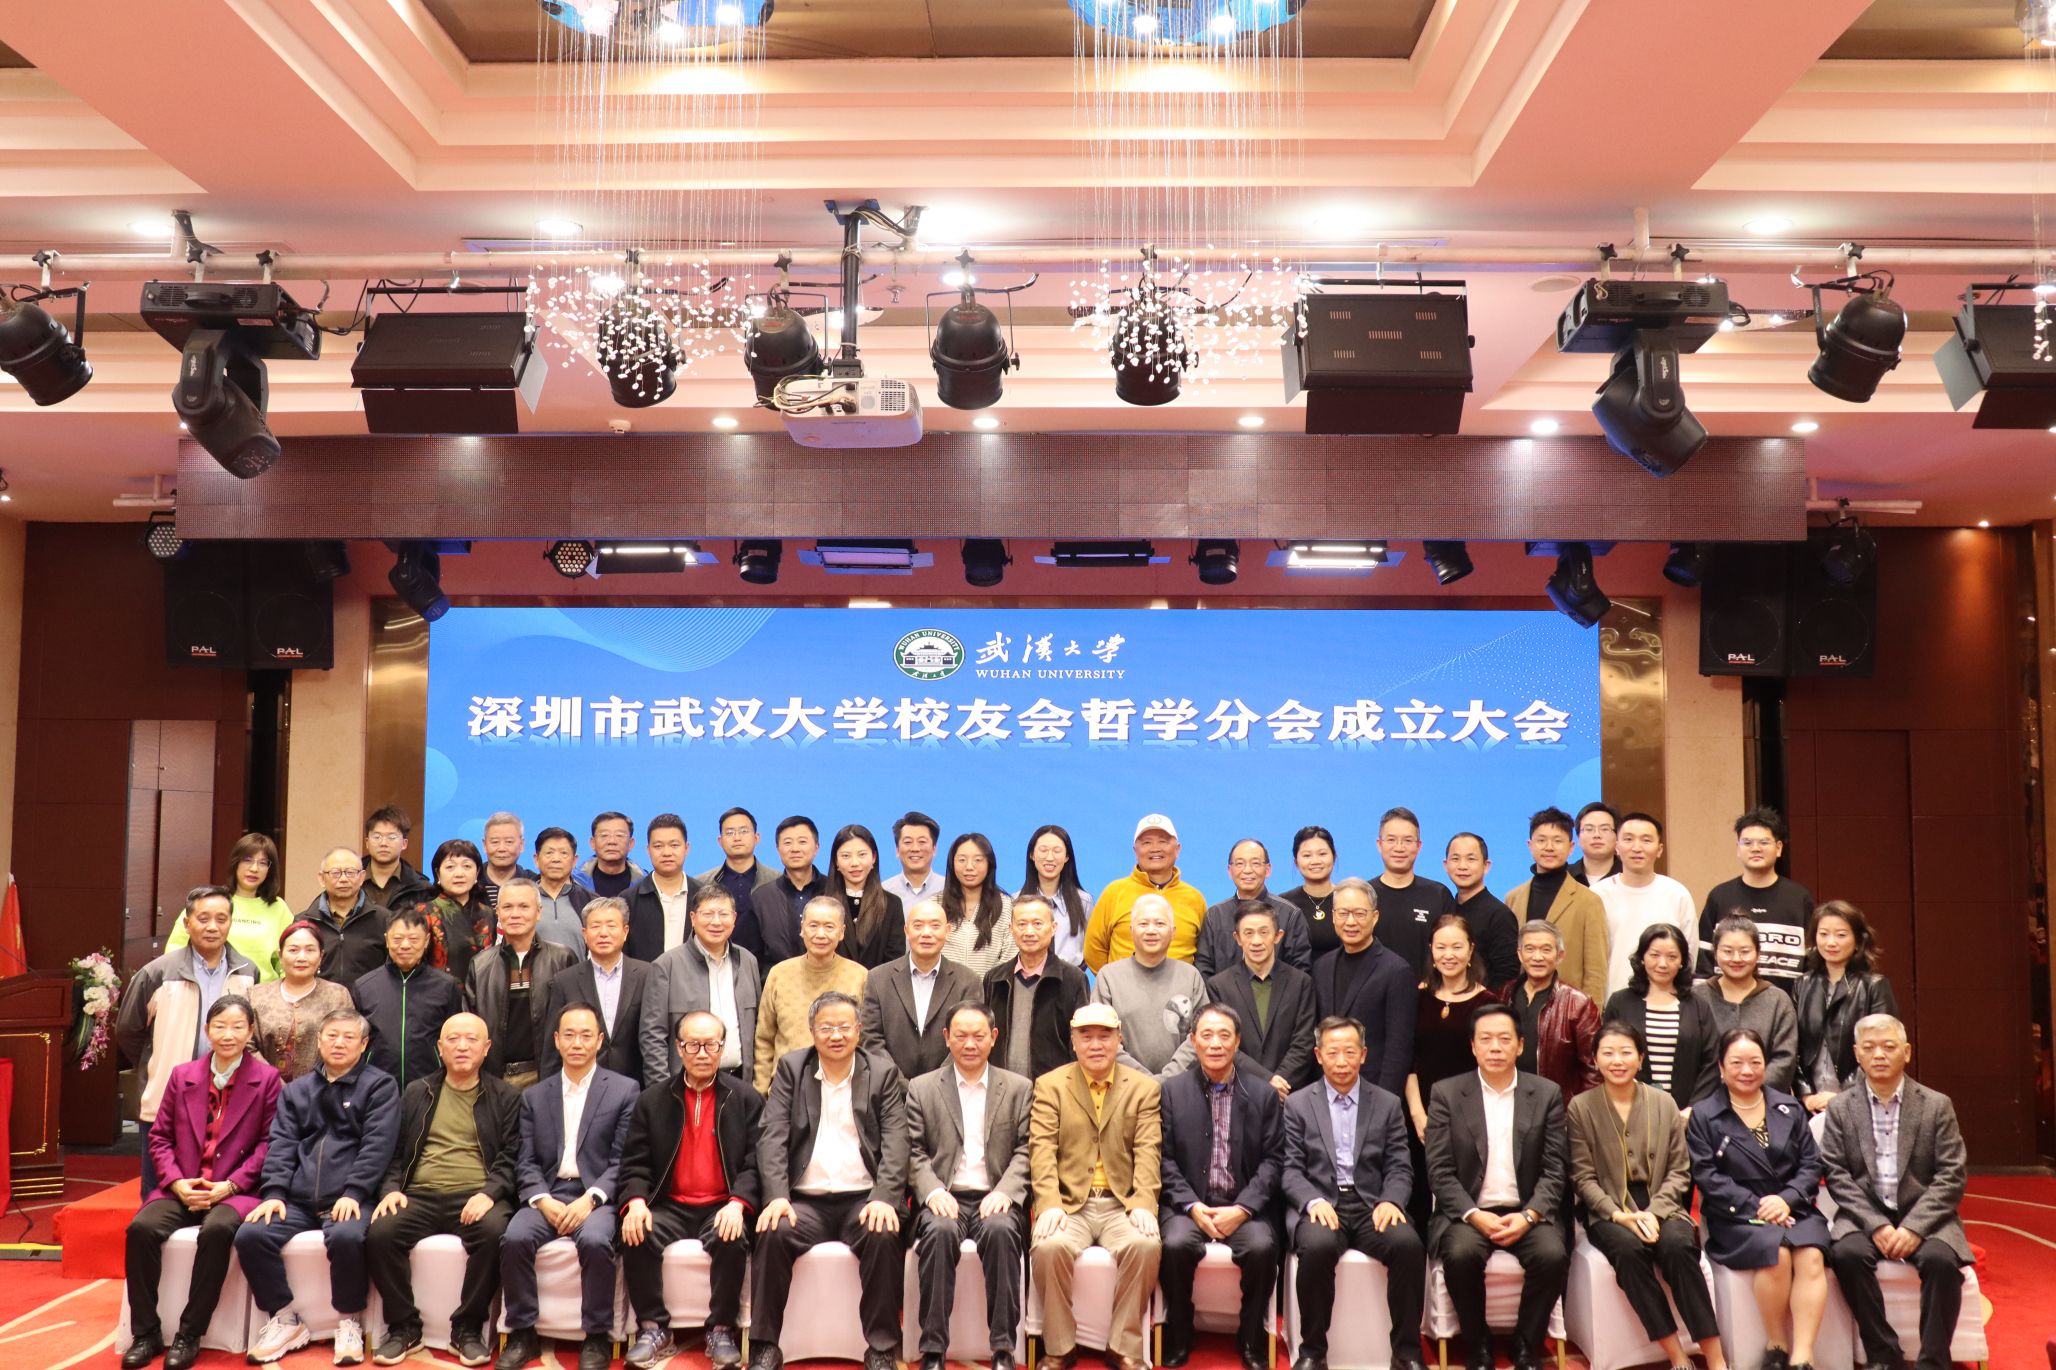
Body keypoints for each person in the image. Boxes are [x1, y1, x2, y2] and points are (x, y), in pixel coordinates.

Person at [121, 995, 282, 1370]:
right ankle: (145, 1333)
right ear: (207, 1031)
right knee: (141, 1229)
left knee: (218, 1230)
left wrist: (232, 1186)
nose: (228, 1035)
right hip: (183, 1185)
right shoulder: (183, 1075)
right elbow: (159, 1138)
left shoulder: (267, 1079)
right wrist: (177, 1183)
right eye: (220, 1026)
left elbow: (270, 1143)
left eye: (238, 1027)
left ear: (250, 1032)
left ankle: (190, 1333)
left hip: (235, 1191)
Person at [751, 990, 909, 1370]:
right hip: (806, 1202)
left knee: (884, 1232)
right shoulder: (792, 1068)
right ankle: (764, 1348)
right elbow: (772, 1136)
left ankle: (881, 1349)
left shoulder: (881, 1072)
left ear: (859, 1030)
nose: (835, 1035)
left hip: (863, 1199)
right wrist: (777, 1196)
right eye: (826, 1027)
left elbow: (897, 1140)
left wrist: (884, 1196)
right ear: (812, 1031)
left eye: (843, 1027)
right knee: (772, 1231)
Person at [235, 1007, 400, 1366]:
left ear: (363, 1044)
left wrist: (354, 1191)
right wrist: (274, 1193)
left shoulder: (380, 1086)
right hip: (296, 1199)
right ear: (320, 1041)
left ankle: (349, 1322)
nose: (339, 1043)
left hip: (351, 1197)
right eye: (332, 1036)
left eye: (348, 1037)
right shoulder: (297, 1090)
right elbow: (281, 1143)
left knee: (347, 1237)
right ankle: (284, 1318)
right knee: (250, 1235)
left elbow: (378, 1145)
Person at [1567, 1022, 1727, 1370]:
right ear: (1595, 1059)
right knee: (1628, 1251)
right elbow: (1582, 1177)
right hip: (1609, 1207)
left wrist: (1654, 1213)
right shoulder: (1580, 1107)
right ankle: (1676, 1355)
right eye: (1608, 1053)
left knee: (1678, 1247)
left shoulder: (1663, 1102)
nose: (1617, 1060)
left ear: (1641, 1058)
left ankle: (1715, 1359)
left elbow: (1679, 1170)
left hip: (1662, 1202)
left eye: (1626, 1052)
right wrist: (1620, 1215)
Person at [364, 1012, 521, 1367]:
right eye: (453, 1039)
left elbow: (511, 1156)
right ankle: (404, 1327)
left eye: (471, 1039)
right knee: (380, 1233)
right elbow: (394, 1151)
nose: (462, 1046)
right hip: (418, 1194)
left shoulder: (506, 1096)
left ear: (486, 1048)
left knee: (495, 1232)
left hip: (476, 1194)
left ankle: (467, 1329)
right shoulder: (417, 1092)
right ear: (439, 1047)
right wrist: (391, 1189)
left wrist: (489, 1193)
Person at [1820, 1013, 1973, 1370]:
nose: (1879, 1055)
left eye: (1889, 1047)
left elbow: (1951, 1175)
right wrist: (1876, 1225)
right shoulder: (1841, 1107)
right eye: (1870, 1047)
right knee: (1846, 1255)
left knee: (1941, 1262)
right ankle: (1883, 1355)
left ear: (1906, 1052)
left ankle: (1933, 1361)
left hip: (1926, 1214)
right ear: (1857, 1054)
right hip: (1864, 1214)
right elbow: (1836, 1174)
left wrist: (1914, 1227)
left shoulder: (1936, 1105)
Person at [1424, 1003, 1570, 1370]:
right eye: (1485, 1039)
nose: (1495, 1048)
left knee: (1552, 1255)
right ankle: (1478, 1344)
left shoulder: (1546, 1093)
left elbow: (1555, 1169)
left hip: (1527, 1210)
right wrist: (1474, 1215)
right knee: (1460, 1254)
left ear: (1520, 1045)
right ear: (1472, 1046)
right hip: (1469, 1212)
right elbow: (1439, 1171)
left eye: (1504, 1039)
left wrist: (1530, 1215)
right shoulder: (1447, 1093)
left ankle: (1526, 1344)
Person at [497, 1004, 640, 1370]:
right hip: (549, 1193)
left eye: (586, 1035)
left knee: (595, 1240)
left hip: (597, 1197)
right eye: (570, 1035)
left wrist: (590, 1200)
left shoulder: (624, 1090)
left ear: (600, 1041)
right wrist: (542, 1200)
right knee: (514, 1238)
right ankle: (522, 1332)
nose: (578, 1043)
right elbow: (525, 1160)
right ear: (557, 1040)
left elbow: (623, 1160)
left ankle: (596, 1335)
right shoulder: (534, 1095)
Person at [618, 1010, 763, 1370]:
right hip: (669, 1204)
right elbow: (635, 1162)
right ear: (679, 1048)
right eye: (693, 1045)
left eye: (710, 1045)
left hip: (721, 1204)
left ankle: (721, 1330)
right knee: (635, 1231)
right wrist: (636, 1201)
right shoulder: (653, 1100)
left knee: (731, 1236)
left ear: (722, 1048)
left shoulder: (745, 1098)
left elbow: (755, 1162)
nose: (702, 1053)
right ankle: (653, 1328)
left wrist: (738, 1203)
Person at [1283, 1015, 1428, 1370]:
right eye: (1333, 1052)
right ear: (1318, 1055)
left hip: (1371, 1204)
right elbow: (1289, 1169)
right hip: (1322, 1203)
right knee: (1316, 1247)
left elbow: (1400, 1165)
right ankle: (1312, 1352)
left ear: (1363, 1054)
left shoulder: (1387, 1103)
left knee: (1408, 1246)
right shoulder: (1298, 1104)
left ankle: (1406, 1353)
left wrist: (1391, 1200)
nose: (1341, 1061)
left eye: (1350, 1052)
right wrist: (1312, 1200)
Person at [1028, 1004, 1162, 1370]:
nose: (1096, 1044)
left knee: (1146, 1245)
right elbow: (1042, 1150)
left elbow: (1148, 1151)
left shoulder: (1144, 1089)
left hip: (1121, 1204)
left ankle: (1123, 1345)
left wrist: (1143, 1202)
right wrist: (1049, 1203)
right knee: (1048, 1247)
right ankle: (1060, 1346)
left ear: (1120, 1039)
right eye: (1086, 1036)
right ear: (1073, 1042)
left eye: (1105, 1036)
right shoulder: (1051, 1085)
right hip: (1071, 1204)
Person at [1689, 1028, 1831, 1370]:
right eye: (1736, 1063)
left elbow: (1811, 1164)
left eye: (1755, 1062)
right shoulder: (1705, 1115)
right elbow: (1707, 1175)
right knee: (1776, 1253)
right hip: (1736, 1215)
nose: (1747, 1070)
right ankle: (1776, 1344)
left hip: (1793, 1208)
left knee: (1812, 1255)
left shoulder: (1789, 1107)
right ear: (1721, 1067)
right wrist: (1759, 1206)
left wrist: (1787, 1199)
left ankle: (1803, 1356)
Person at [1156, 1004, 1283, 1370]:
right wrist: (1192, 1206)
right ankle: (1180, 1331)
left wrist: (1242, 1209)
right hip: (1189, 1206)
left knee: (1261, 1247)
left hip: (1243, 1205)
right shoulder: (1172, 1092)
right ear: (1193, 1041)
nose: (1215, 1044)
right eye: (1207, 1035)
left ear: (1237, 1042)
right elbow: (1163, 1159)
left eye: (1224, 1035)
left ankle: (1251, 1336)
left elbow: (1274, 1160)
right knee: (1174, 1245)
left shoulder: (1262, 1095)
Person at [907, 1002, 1033, 1370]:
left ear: (994, 1037)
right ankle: (933, 1350)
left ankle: (1003, 1349)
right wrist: (933, 1191)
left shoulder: (1018, 1088)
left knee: (1001, 1231)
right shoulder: (922, 1088)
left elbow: (1027, 1149)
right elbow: (913, 1151)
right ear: (947, 1037)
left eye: (978, 1036)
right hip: (945, 1195)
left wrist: (1005, 1191)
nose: (970, 1044)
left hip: (996, 1196)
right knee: (939, 1232)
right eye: (961, 1035)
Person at [116, 886, 261, 1196]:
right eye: (203, 918)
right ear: (186, 922)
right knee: (160, 1198)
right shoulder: (157, 973)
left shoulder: (248, 972)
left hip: (229, 1102)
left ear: (230, 922)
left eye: (221, 919)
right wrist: (157, 1062)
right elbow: (128, 1031)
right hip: (168, 1099)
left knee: (220, 1196)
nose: (213, 927)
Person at [1404, 914, 1497, 1224]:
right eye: (1441, 947)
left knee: (1460, 1204)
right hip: (1418, 1112)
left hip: (1469, 1116)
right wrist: (1418, 1114)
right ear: (1431, 950)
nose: (1449, 955)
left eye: (1457, 947)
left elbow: (1490, 1064)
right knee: (1417, 1201)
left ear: (1471, 950)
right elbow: (1409, 1058)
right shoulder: (1417, 997)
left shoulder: (1488, 1003)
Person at [641, 884, 761, 1087]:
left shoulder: (748, 961)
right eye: (708, 914)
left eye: (723, 914)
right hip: (685, 1085)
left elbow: (757, 1027)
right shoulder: (666, 966)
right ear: (693, 918)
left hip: (740, 1083)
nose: (716, 922)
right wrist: (663, 1092)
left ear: (734, 918)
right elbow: (652, 1036)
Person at [469, 878, 580, 1089]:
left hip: (547, 1077)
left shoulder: (563, 958)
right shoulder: (480, 965)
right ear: (497, 912)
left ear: (538, 912)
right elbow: (471, 1025)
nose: (515, 914)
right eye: (507, 907)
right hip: (494, 1079)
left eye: (524, 907)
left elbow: (575, 1020)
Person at [1310, 877, 1415, 1097]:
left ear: (1375, 917)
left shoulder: (1396, 970)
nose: (1350, 922)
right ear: (1333, 916)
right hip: (1326, 1092)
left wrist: (1384, 1102)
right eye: (1343, 913)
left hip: (1373, 1091)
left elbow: (1398, 1048)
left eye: (1359, 913)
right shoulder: (1321, 967)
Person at [753, 895, 870, 1093]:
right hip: (787, 1090)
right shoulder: (779, 974)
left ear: (842, 932)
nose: (820, 934)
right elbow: (764, 1039)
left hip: (843, 1090)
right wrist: (761, 1094)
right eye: (813, 926)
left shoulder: (859, 976)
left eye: (829, 927)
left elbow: (866, 1040)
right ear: (802, 929)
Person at [1794, 901, 1899, 1114]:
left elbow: (1882, 1048)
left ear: (1858, 941)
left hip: (1860, 1101)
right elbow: (1792, 1045)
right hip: (1810, 1104)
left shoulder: (1874, 986)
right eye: (1823, 934)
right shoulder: (1802, 984)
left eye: (1841, 935)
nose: (1831, 942)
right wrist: (1805, 1094)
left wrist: (1843, 1095)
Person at [861, 896, 983, 1080]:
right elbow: (871, 1039)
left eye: (935, 926)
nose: (926, 933)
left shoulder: (968, 981)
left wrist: (932, 1088)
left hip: (947, 1089)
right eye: (918, 926)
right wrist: (899, 1084)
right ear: (906, 931)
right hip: (890, 1090)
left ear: (947, 931)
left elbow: (968, 1040)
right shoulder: (878, 978)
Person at [1206, 899, 1317, 1098]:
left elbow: (1304, 1041)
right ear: (1237, 938)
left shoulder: (1301, 983)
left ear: (1278, 936)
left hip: (1290, 1094)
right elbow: (1225, 1043)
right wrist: (1267, 1082)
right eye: (1248, 933)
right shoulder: (1219, 986)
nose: (1256, 941)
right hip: (1238, 1093)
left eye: (1264, 932)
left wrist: (1280, 1083)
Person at [1698, 808, 1813, 994]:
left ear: (1779, 848)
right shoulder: (1719, 896)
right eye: (1747, 842)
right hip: (1724, 1006)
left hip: (1788, 1006)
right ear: (1738, 848)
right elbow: (1703, 963)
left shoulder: (1799, 898)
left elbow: (1813, 964)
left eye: (1764, 842)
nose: (1755, 848)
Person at [1603, 924, 1720, 1108]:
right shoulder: (1620, 1003)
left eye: (1672, 957)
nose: (1663, 964)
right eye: (1654, 955)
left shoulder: (1698, 1006)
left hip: (1686, 1113)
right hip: (1631, 1109)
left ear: (1682, 961)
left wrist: (1693, 1109)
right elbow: (1607, 1054)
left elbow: (1711, 1062)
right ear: (1642, 957)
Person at [1091, 893, 1206, 1079]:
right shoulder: (1109, 977)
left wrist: (1166, 1079)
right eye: (1143, 924)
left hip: (1181, 1086)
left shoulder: (1190, 976)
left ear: (1173, 931)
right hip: (1123, 1086)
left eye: (1160, 924)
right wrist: (1144, 1082)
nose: (1151, 930)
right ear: (1131, 930)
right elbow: (1101, 1036)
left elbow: (1201, 1033)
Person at [353, 906, 466, 1093]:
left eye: (414, 939)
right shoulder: (364, 987)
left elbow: (454, 1038)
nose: (405, 945)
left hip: (431, 1087)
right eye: (397, 939)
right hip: (377, 1088)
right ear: (387, 940)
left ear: (426, 941)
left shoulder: (446, 986)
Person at [540, 895, 651, 1082]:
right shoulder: (565, 981)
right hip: (581, 1084)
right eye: (596, 926)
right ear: (584, 934)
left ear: (625, 932)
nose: (603, 933)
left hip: (636, 1085)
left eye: (611, 925)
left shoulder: (647, 975)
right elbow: (552, 1049)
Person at [1503, 808, 1609, 1003]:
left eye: (1557, 841)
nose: (1549, 847)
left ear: (1571, 847)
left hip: (1568, 1008)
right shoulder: (1513, 898)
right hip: (1520, 1005)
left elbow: (1596, 970)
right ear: (1530, 845)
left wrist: (1591, 1013)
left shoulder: (1589, 901)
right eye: (1541, 840)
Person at [985, 894, 1091, 1081]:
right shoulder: (994, 979)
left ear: (1053, 928)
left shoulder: (1073, 979)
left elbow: (1080, 1040)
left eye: (1037, 924)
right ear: (1011, 929)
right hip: (1002, 1089)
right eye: (1021, 924)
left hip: (1054, 1089)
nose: (1029, 932)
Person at [1084, 814, 1207, 970]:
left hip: (1181, 986)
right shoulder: (1114, 893)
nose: (1155, 848)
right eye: (1147, 842)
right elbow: (1093, 949)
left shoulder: (1195, 898)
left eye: (1163, 841)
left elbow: (1205, 955)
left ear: (1177, 849)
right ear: (1135, 850)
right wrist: (1114, 981)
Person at [1592, 813, 1696, 999]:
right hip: (1610, 1004)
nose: (1636, 848)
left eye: (1646, 840)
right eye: (1628, 839)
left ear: (1660, 849)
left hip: (1667, 1003)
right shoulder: (1597, 895)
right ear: (1617, 847)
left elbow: (1689, 956)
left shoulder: (1677, 894)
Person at [165, 833, 293, 982]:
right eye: (247, 860)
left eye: (263, 863)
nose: (254, 868)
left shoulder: (278, 907)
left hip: (263, 990)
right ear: (235, 862)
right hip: (210, 987)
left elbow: (287, 955)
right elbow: (175, 949)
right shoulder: (211, 900)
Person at [1694, 916, 1800, 1094]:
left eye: (1745, 951)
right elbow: (1690, 1057)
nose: (1736, 958)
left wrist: (1749, 1091)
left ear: (1758, 954)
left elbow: (1785, 1059)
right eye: (1727, 951)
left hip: (1765, 1100)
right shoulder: (1697, 997)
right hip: (1706, 1101)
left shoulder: (1778, 1000)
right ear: (1715, 953)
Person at [1501, 920, 1599, 1108]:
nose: (1537, 957)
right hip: (1506, 1102)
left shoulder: (1579, 1003)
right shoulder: (1505, 994)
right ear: (1520, 954)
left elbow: (1593, 1070)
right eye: (1530, 949)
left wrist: (1576, 1112)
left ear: (1560, 956)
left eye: (1546, 950)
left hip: (1556, 1109)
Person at [247, 922, 354, 1082]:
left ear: (321, 956)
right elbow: (246, 1044)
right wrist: (272, 1082)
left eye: (310, 950)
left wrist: (311, 1088)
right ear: (280, 955)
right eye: (293, 950)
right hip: (264, 1088)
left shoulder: (337, 995)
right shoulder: (256, 995)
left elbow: (347, 1043)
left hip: (322, 1089)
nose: (301, 957)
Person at [1195, 838, 1315, 980]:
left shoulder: (1290, 914)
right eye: (1240, 863)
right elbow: (1204, 968)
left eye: (1255, 863)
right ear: (1230, 871)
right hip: (1221, 994)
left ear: (1268, 870)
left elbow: (1300, 971)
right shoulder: (1215, 915)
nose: (1247, 870)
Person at [1366, 808, 1457, 979]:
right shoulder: (1364, 895)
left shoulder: (1438, 894)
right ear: (1379, 844)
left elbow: (1452, 948)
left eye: (1408, 840)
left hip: (1427, 991)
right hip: (1374, 991)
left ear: (1418, 846)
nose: (1399, 848)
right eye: (1391, 840)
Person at [298, 847, 392, 986]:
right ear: (322, 879)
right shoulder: (304, 923)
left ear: (362, 877)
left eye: (350, 872)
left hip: (369, 998)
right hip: (319, 998)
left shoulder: (383, 919)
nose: (343, 879)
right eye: (335, 873)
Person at [410, 837, 493, 985]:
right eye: (450, 867)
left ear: (477, 873)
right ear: (438, 874)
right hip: (437, 993)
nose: (459, 874)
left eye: (467, 866)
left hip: (483, 994)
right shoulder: (423, 913)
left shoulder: (489, 914)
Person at [1442, 832, 1520, 987]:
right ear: (1446, 865)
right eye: (1455, 859)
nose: (1462, 866)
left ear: (1486, 866)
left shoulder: (1500, 915)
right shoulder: (1444, 908)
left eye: (1471, 859)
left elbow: (1507, 975)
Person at [828, 822, 908, 969]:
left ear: (874, 858)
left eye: (862, 854)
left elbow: (895, 960)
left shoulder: (892, 904)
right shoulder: (822, 904)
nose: (855, 863)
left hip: (878, 983)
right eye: (846, 856)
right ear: (836, 861)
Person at [752, 816, 829, 968]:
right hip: (779, 981)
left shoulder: (835, 891)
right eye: (787, 842)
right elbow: (755, 956)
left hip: (831, 980)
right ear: (778, 849)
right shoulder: (761, 898)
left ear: (816, 847)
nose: (795, 849)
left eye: (802, 842)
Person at [940, 831, 1018, 978]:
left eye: (978, 860)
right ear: (952, 863)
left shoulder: (1007, 906)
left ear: (989, 864)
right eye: (962, 860)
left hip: (990, 990)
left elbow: (1010, 957)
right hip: (943, 990)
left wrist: (991, 988)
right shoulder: (935, 905)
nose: (969, 866)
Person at [1019, 824, 1093, 968]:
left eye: (1057, 851)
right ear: (1032, 855)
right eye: (1043, 850)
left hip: (1071, 979)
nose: (1050, 857)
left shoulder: (1084, 902)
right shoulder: (1016, 902)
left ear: (1067, 856)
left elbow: (1092, 949)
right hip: (1026, 978)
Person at [625, 813, 695, 963]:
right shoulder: (628, 900)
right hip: (645, 978)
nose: (666, 853)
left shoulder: (703, 897)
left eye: (674, 845)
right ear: (648, 850)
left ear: (686, 848)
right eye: (658, 846)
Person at [696, 806, 778, 919]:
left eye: (744, 831)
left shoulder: (777, 880)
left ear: (756, 838)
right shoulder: (701, 883)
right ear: (720, 841)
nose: (737, 838)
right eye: (730, 833)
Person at [530, 827, 594, 952]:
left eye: (563, 853)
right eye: (549, 853)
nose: (556, 859)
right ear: (536, 859)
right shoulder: (521, 899)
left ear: (574, 860)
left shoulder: (590, 901)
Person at [1280, 826, 1340, 960]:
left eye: (1322, 854)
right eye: (1307, 855)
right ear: (1296, 862)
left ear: (1334, 857)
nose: (1315, 861)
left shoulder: (1349, 900)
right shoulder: (1284, 905)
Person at [363, 807, 433, 914]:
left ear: (404, 844)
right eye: (377, 837)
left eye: (391, 837)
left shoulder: (420, 887)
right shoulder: (350, 878)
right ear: (367, 842)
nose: (383, 843)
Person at [575, 811, 645, 901]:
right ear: (593, 843)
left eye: (619, 835)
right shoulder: (574, 882)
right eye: (604, 835)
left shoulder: (645, 884)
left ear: (631, 844)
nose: (612, 841)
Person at [478, 811, 538, 912]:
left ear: (521, 844)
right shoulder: (471, 882)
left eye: (509, 842)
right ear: (484, 845)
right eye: (495, 842)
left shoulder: (534, 883)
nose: (502, 848)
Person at [885, 811, 947, 908]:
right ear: (897, 850)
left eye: (922, 842)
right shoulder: (884, 892)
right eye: (908, 842)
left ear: (934, 849)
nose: (915, 849)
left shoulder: (949, 890)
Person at [1570, 802, 1621, 887]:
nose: (1597, 835)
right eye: (1589, 829)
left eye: (1605, 829)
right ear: (1578, 837)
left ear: (1617, 837)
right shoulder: (1564, 877)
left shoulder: (1630, 876)